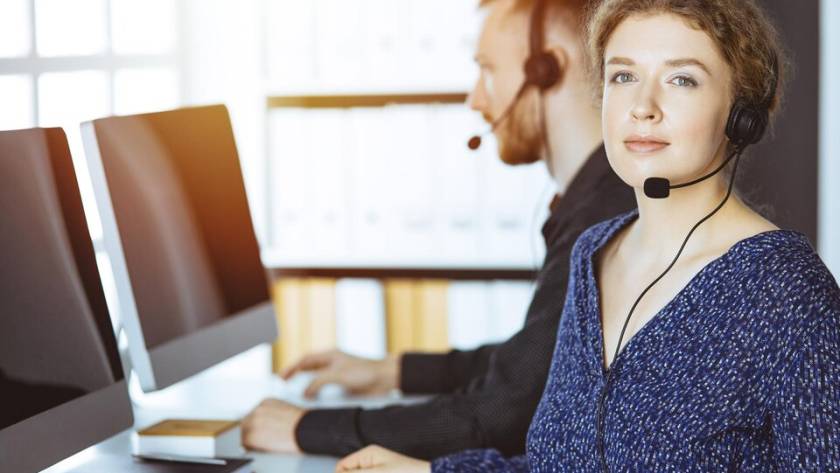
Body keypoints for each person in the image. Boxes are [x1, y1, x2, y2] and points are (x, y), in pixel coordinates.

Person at [334, 0, 840, 471]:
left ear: (740, 116)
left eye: (682, 80)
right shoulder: (593, 253)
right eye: (624, 76)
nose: (642, 106)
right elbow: (562, 461)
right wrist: (430, 469)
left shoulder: (786, 293)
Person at [241, 0, 638, 459]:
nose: (475, 99)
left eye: (487, 70)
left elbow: (496, 415)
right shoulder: (597, 198)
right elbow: (530, 363)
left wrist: (307, 429)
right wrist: (393, 372)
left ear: (546, 68)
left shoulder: (605, 216)